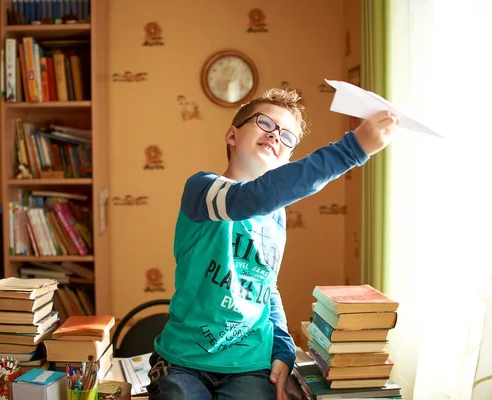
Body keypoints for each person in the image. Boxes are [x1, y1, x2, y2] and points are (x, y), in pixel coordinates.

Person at [147, 88, 399, 400]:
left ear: (287, 161)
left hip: (249, 363)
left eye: (288, 136)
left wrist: (283, 349)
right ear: (232, 135)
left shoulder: (276, 217)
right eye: (265, 123)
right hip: (183, 360)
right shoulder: (203, 189)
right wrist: (352, 149)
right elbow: (251, 197)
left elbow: (267, 287)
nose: (276, 135)